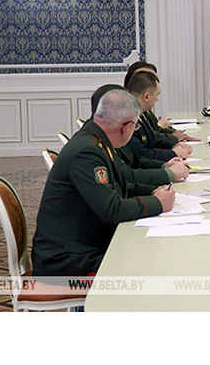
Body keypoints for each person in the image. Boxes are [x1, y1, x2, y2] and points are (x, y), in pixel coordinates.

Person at [32, 89, 175, 277]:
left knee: (147, 254)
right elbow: (112, 210)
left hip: (83, 245)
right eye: (135, 128)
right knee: (147, 266)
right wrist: (157, 203)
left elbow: (119, 184)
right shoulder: (87, 152)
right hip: (66, 260)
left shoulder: (96, 140)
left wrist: (154, 192)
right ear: (125, 127)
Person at [89, 84, 189, 185]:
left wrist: (164, 166)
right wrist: (167, 174)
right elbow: (126, 177)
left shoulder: (109, 135)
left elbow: (134, 161)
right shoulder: (91, 149)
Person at [125, 71, 193, 162]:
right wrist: (173, 153)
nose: (156, 100)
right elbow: (141, 154)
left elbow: (153, 140)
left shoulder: (140, 114)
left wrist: (174, 145)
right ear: (147, 96)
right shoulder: (128, 119)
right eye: (156, 95)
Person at [124, 61, 199, 142]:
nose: (157, 99)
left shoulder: (141, 111)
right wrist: (174, 141)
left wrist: (178, 136)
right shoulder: (129, 116)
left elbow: (154, 136)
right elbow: (145, 145)